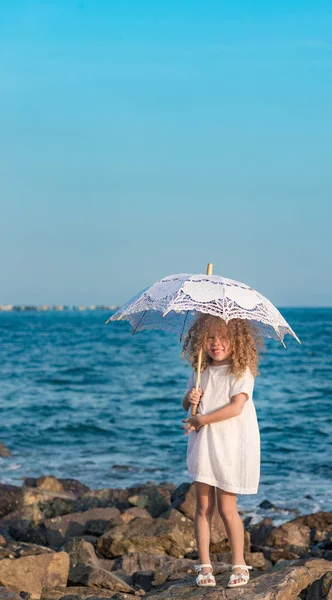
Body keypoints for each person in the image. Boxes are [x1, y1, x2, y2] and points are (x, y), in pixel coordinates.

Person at [181, 314, 262, 588]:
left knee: (228, 507)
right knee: (203, 506)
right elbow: (187, 403)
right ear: (201, 340)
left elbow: (236, 407)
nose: (216, 344)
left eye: (224, 337)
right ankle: (205, 566)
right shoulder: (200, 369)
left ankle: (239, 563)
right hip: (204, 443)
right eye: (210, 337)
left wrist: (201, 419)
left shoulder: (241, 370)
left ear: (237, 341)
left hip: (230, 444)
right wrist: (189, 398)